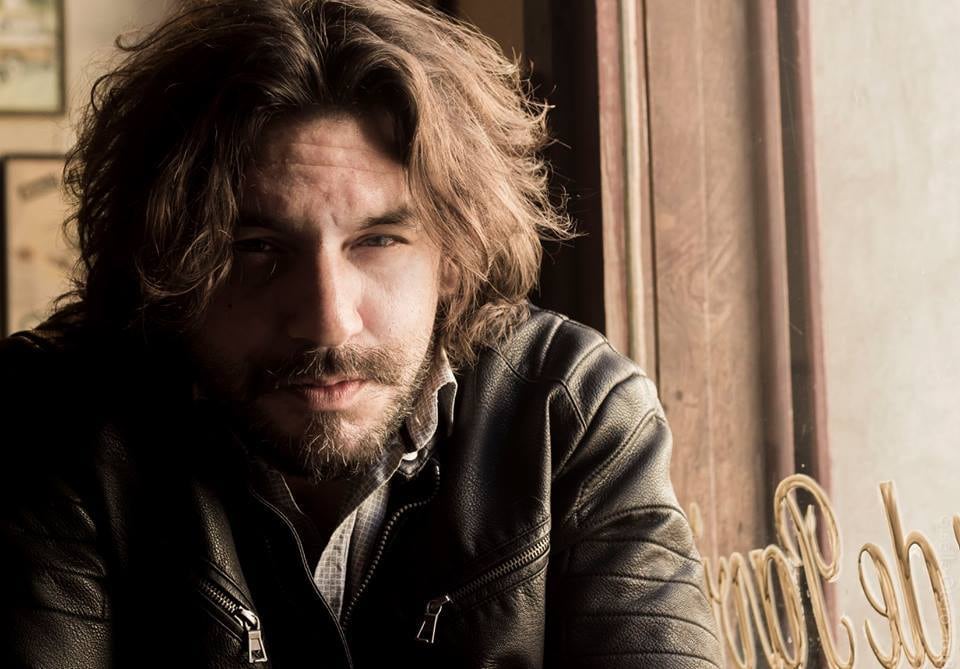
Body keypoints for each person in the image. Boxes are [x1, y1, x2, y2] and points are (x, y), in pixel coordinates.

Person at [0, 1, 721, 667]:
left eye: (377, 241)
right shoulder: (56, 418)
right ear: (172, 264)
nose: (327, 319)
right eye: (257, 248)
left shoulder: (576, 414)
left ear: (456, 257)